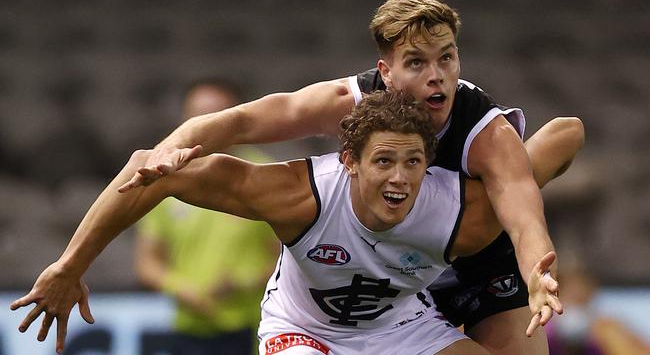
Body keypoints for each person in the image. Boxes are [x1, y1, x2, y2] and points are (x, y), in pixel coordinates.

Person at [117, 0, 584, 353]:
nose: (437, 76)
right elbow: (239, 121)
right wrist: (168, 152)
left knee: (547, 151)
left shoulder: (486, 131)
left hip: (481, 259)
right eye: (417, 62)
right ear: (386, 72)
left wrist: (536, 272)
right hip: (407, 273)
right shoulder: (346, 105)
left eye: (447, 58)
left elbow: (523, 208)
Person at [10, 91, 571, 354]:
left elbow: (565, 136)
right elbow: (148, 173)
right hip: (304, 331)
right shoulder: (299, 195)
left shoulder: (456, 211)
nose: (399, 179)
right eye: (382, 161)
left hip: (398, 328)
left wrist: (536, 269)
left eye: (413, 162)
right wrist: (70, 266)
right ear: (349, 162)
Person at [134, 79, 278, 354]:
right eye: (196, 115)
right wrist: (182, 288)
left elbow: (288, 258)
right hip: (188, 330)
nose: (205, 123)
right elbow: (147, 263)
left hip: (253, 328)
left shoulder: (268, 174)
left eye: (216, 115)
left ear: (236, 117)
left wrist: (244, 281)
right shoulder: (165, 179)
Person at [546, 264, 650, 355]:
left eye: (583, 303)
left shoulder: (603, 332)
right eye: (573, 300)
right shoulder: (542, 333)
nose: (577, 309)